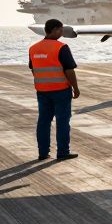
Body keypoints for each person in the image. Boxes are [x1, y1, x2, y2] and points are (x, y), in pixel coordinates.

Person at [28, 19, 80, 161]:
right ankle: (63, 152)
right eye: (61, 30)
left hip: (42, 91)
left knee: (43, 122)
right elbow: (69, 70)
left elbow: (34, 69)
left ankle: (43, 153)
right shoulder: (61, 47)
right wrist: (75, 87)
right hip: (60, 90)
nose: (62, 32)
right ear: (55, 29)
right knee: (62, 122)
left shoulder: (33, 48)